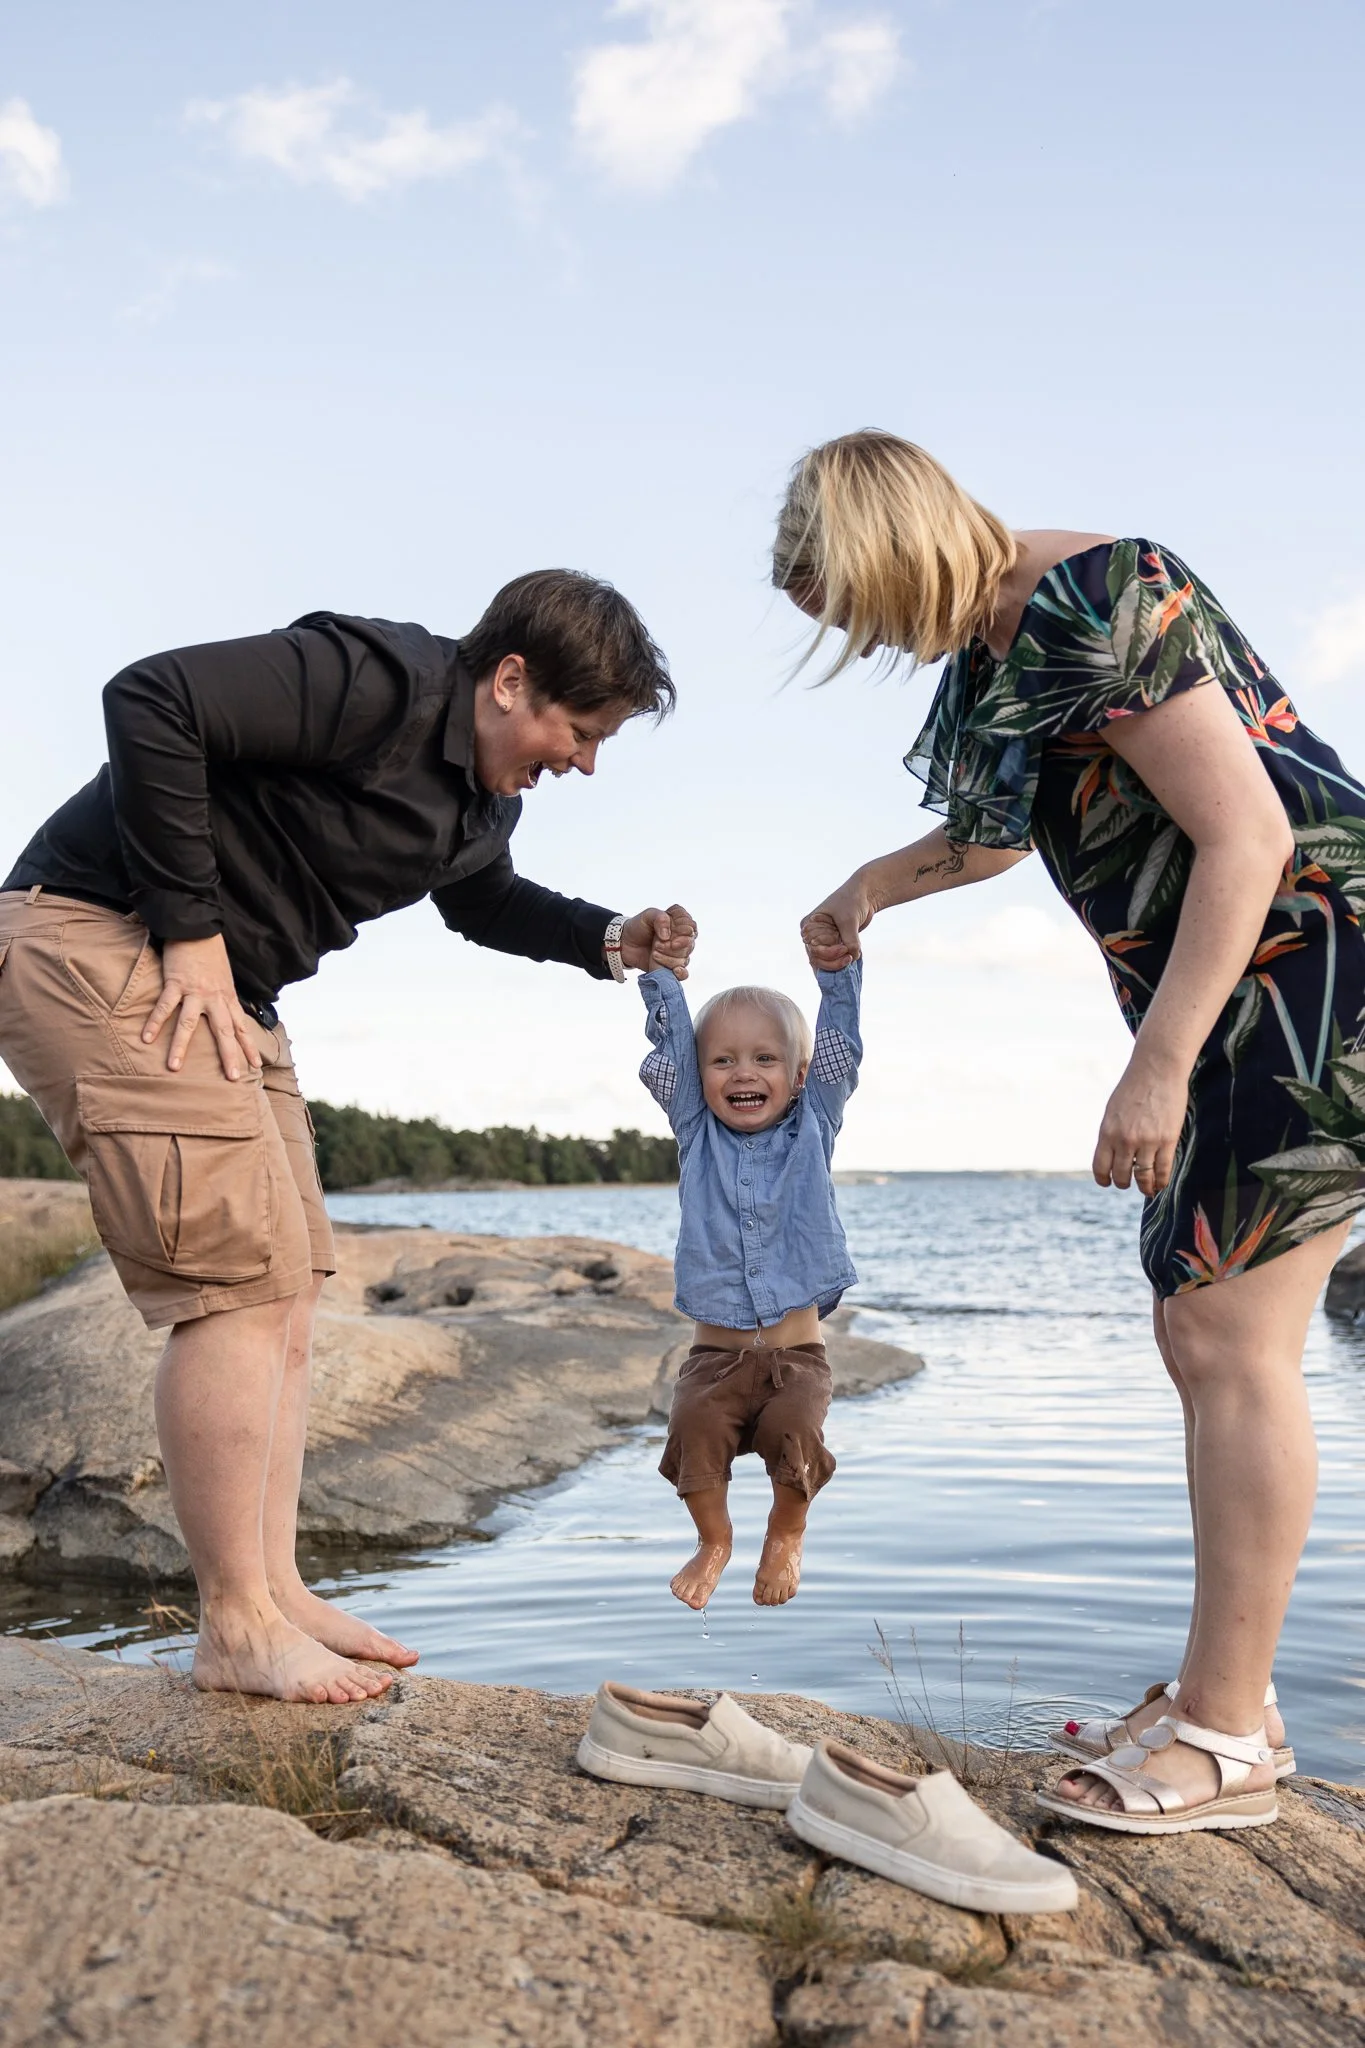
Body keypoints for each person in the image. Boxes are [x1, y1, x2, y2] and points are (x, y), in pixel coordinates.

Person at [773, 430, 1365, 1835]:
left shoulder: (1098, 590)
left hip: (1311, 965)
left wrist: (1155, 1068)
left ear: (896, 545)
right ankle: (1232, 1693)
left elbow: (1247, 837)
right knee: (1198, 1332)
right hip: (1240, 987)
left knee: (1228, 1337)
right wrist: (868, 887)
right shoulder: (992, 652)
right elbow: (991, 833)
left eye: (856, 605)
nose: (864, 638)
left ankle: (1225, 1741)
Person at [0, 570, 697, 1705]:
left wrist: (609, 936)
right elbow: (152, 697)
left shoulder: (483, 800)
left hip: (232, 986)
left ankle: (271, 1590)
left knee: (286, 1293)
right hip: (103, 937)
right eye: (580, 729)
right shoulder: (376, 680)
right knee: (228, 1290)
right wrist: (190, 934)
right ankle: (233, 1625)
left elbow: (481, 901)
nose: (584, 760)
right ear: (510, 679)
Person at [638, 955, 863, 1609]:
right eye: (723, 1061)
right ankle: (713, 1541)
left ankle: (786, 1531)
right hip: (712, 1359)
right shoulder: (693, 1131)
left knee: (794, 1437)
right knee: (691, 1435)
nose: (742, 1073)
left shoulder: (813, 1124)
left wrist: (838, 969)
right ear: (699, 1076)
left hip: (796, 1358)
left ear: (796, 1076)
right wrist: (660, 976)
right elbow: (674, 1051)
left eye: (764, 1059)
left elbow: (838, 1047)